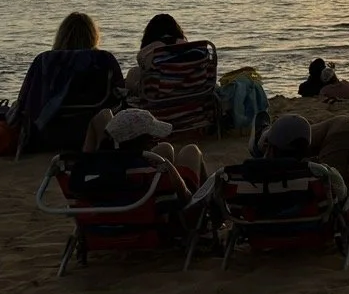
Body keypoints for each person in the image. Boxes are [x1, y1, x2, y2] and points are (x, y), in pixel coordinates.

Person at [11, 12, 125, 141]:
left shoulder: (44, 60)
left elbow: (26, 98)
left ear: (61, 36)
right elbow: (120, 94)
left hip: (48, 132)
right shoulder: (104, 59)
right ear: (93, 35)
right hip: (90, 130)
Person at [86, 106, 207, 190]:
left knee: (165, 148)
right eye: (153, 139)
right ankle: (209, 209)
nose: (156, 143)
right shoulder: (152, 174)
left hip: (117, 208)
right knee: (191, 150)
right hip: (156, 207)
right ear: (142, 142)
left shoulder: (97, 173)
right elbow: (185, 197)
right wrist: (171, 170)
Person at [255, 109, 349, 200]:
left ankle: (264, 136)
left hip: (265, 217)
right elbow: (342, 193)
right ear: (306, 150)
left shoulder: (249, 176)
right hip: (315, 218)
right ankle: (265, 135)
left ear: (271, 149)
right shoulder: (321, 172)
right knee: (345, 123)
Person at [125, 13, 186, 102]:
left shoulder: (147, 53)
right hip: (191, 100)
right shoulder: (191, 49)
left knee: (133, 73)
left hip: (158, 106)